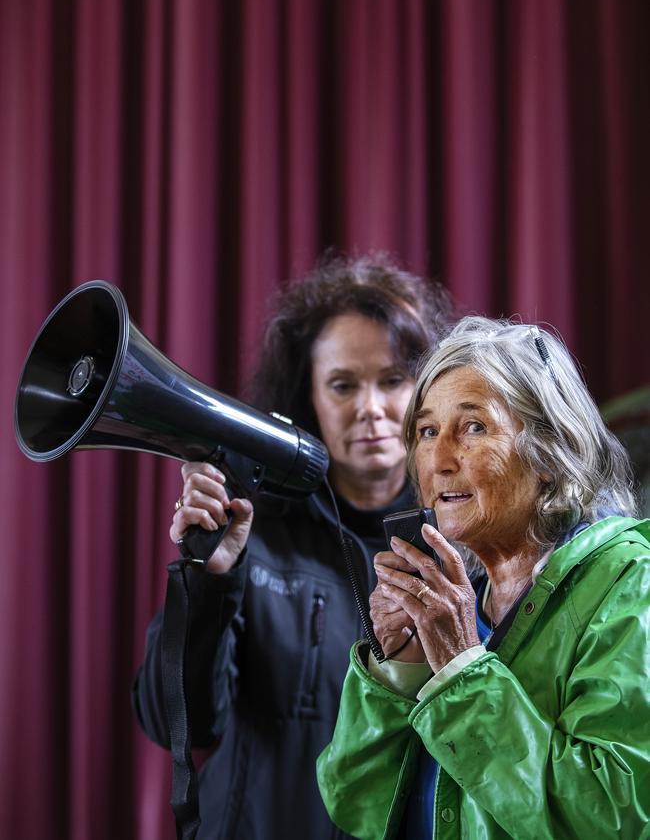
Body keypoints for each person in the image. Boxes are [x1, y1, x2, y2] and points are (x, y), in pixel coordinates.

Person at [132, 252, 455, 840]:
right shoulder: (252, 530)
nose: (371, 408)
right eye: (343, 385)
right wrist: (209, 579)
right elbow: (175, 722)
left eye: (392, 380)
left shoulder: (461, 546)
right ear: (309, 397)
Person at [317, 316, 650, 840]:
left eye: (473, 427)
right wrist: (400, 673)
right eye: (427, 431)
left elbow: (614, 818)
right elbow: (355, 804)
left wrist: (459, 672)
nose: (440, 460)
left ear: (549, 452)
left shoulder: (630, 582)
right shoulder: (458, 603)